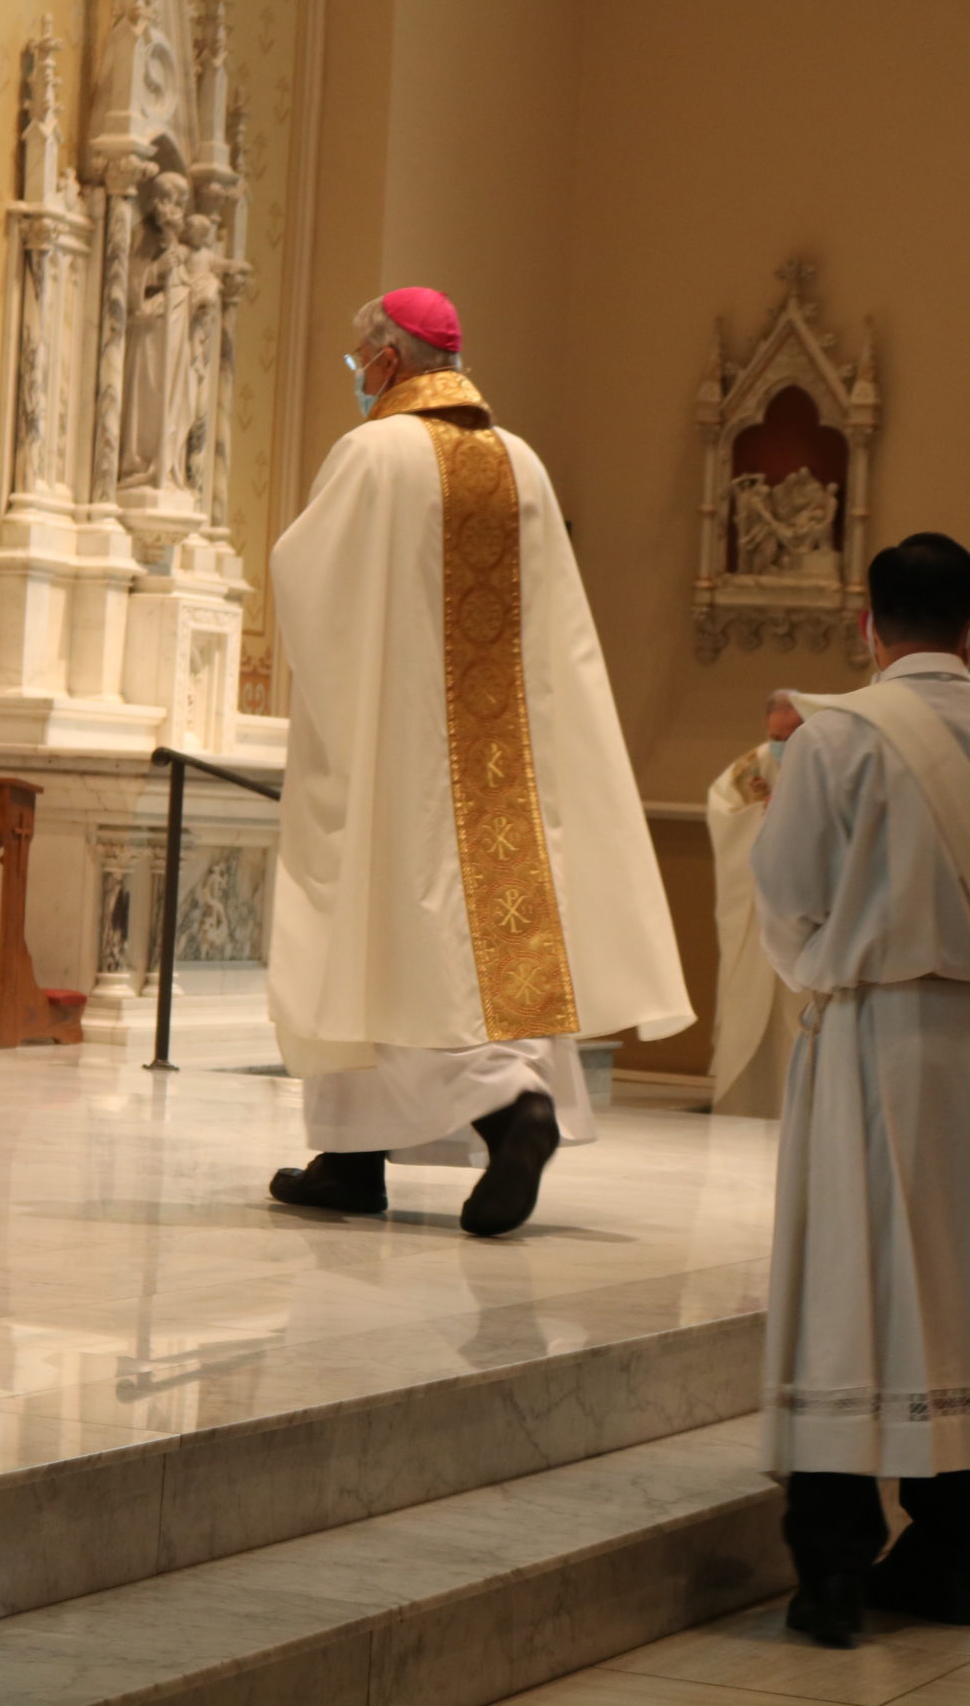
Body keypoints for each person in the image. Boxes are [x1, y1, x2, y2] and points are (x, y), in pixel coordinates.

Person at [264, 288, 691, 1235]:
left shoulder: (372, 453)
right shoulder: (519, 460)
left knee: (384, 932)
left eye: (359, 359)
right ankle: (350, 1156)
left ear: (387, 359)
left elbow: (308, 578)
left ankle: (508, 1107)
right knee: (452, 938)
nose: (357, 376)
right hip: (501, 756)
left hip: (398, 747)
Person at [756, 533, 970, 1649]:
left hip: (868, 1040)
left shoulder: (833, 737)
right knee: (969, 1296)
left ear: (869, 623)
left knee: (851, 1291)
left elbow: (788, 900)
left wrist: (833, 972)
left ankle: (832, 1574)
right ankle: (946, 1564)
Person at [705, 688, 812, 1118]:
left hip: (804, 912)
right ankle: (745, 1103)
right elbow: (725, 813)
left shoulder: (831, 766)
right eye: (776, 736)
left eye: (792, 734)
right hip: (756, 917)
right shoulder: (752, 767)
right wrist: (763, 818)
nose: (782, 745)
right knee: (750, 1001)